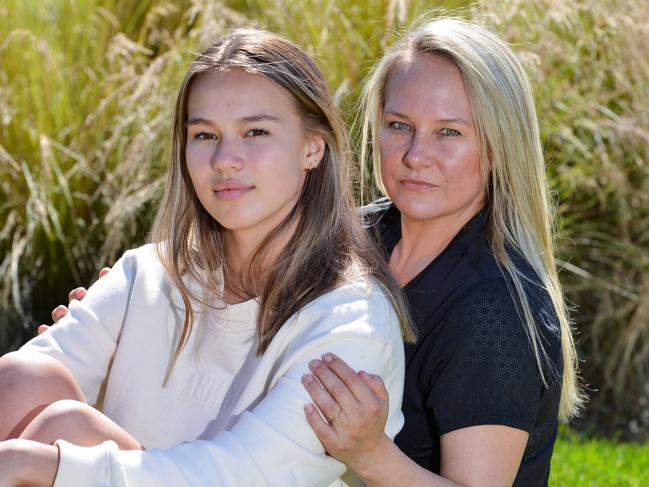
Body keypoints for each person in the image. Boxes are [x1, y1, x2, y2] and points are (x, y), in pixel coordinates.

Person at [0, 28, 414, 486]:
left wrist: (44, 464)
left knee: (65, 434)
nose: (225, 159)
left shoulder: (351, 322)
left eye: (256, 131)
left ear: (312, 148)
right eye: (204, 134)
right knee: (24, 377)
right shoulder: (149, 274)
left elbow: (243, 476)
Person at [299, 17, 583, 487]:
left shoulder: (494, 311)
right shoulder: (353, 239)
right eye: (399, 125)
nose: (415, 155)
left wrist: (370, 455)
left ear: (497, 148)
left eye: (449, 132)